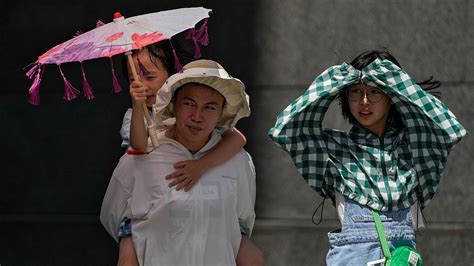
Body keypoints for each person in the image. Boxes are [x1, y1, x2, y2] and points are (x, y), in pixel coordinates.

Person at [268, 49, 467, 264]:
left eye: (375, 91)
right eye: (355, 91)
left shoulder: (414, 149)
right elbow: (285, 130)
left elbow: (450, 130)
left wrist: (394, 80)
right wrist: (337, 79)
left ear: (392, 95)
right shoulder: (334, 148)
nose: (364, 101)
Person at [100, 41, 263, 265]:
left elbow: (237, 139)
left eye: (210, 107)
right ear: (175, 102)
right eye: (189, 103)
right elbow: (136, 150)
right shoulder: (138, 135)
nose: (197, 116)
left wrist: (201, 165)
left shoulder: (237, 159)